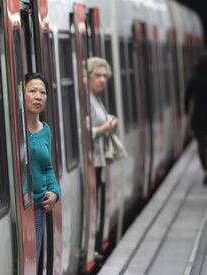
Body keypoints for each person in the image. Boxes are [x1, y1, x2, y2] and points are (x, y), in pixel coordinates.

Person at [24, 72, 61, 264]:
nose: (38, 96)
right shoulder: (13, 129)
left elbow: (47, 168)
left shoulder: (45, 130)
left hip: (38, 208)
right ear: (21, 94)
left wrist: (55, 192)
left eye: (43, 92)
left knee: (34, 260)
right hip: (22, 209)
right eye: (32, 91)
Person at [86, 57, 118, 258]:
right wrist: (107, 127)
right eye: (97, 75)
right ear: (87, 76)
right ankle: (93, 245)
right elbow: (85, 130)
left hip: (99, 160)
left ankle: (95, 245)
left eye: (105, 76)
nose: (102, 80)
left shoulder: (96, 98)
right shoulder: (86, 100)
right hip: (92, 160)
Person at [185, 52, 207, 185]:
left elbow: (187, 98)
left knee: (201, 145)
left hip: (198, 117)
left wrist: (186, 111)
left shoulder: (194, 79)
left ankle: (205, 170)